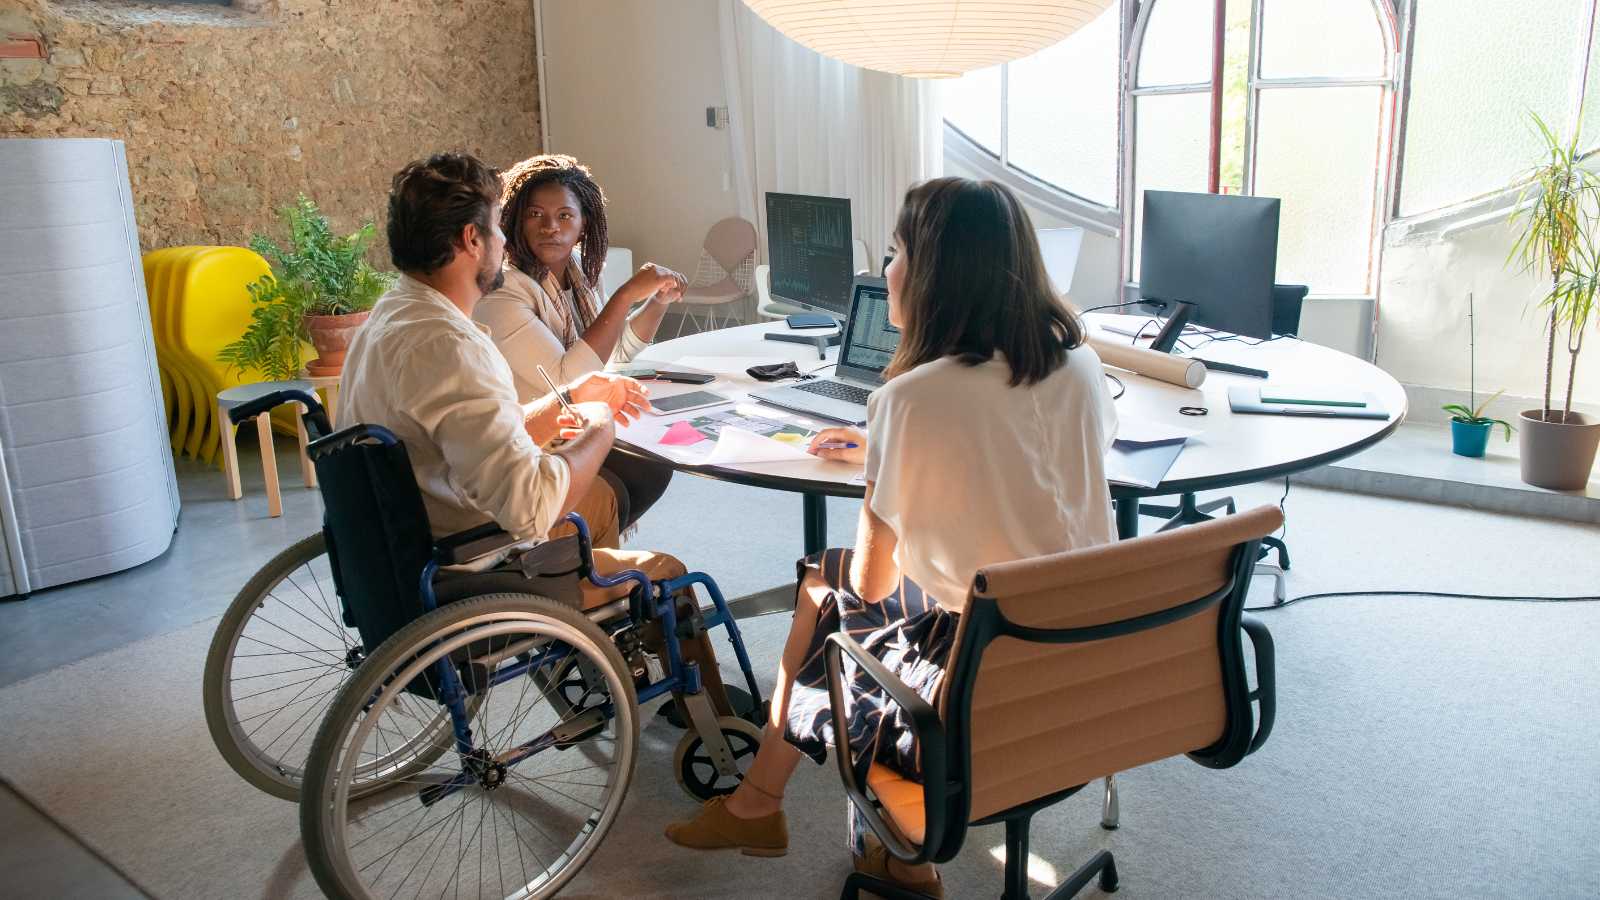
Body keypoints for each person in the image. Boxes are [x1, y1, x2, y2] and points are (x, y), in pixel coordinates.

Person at [664, 177, 1120, 897]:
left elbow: (872, 586)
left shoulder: (910, 399)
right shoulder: (1081, 366)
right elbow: (1035, 475)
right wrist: (900, 450)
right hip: (1091, 657)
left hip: (980, 677)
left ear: (936, 274)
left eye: (896, 252)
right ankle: (807, 821)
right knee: (837, 583)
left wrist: (889, 456)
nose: (885, 271)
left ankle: (792, 814)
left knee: (826, 589)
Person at [340, 151, 732, 709]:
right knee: (669, 573)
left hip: (406, 542)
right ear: (473, 240)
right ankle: (718, 737)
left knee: (610, 494)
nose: (508, 240)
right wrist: (595, 425)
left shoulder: (394, 314)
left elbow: (472, 429)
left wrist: (568, 399)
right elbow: (529, 507)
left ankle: (605, 655)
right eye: (502, 225)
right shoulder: (455, 346)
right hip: (479, 562)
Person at [475, 153, 685, 534]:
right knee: (634, 464)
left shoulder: (576, 275)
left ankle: (586, 548)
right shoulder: (504, 291)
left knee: (654, 454)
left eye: (565, 216)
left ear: (584, 224)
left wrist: (656, 302)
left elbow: (612, 353)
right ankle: (573, 548)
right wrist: (625, 296)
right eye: (535, 214)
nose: (550, 227)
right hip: (532, 442)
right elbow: (570, 376)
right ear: (516, 219)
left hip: (571, 424)